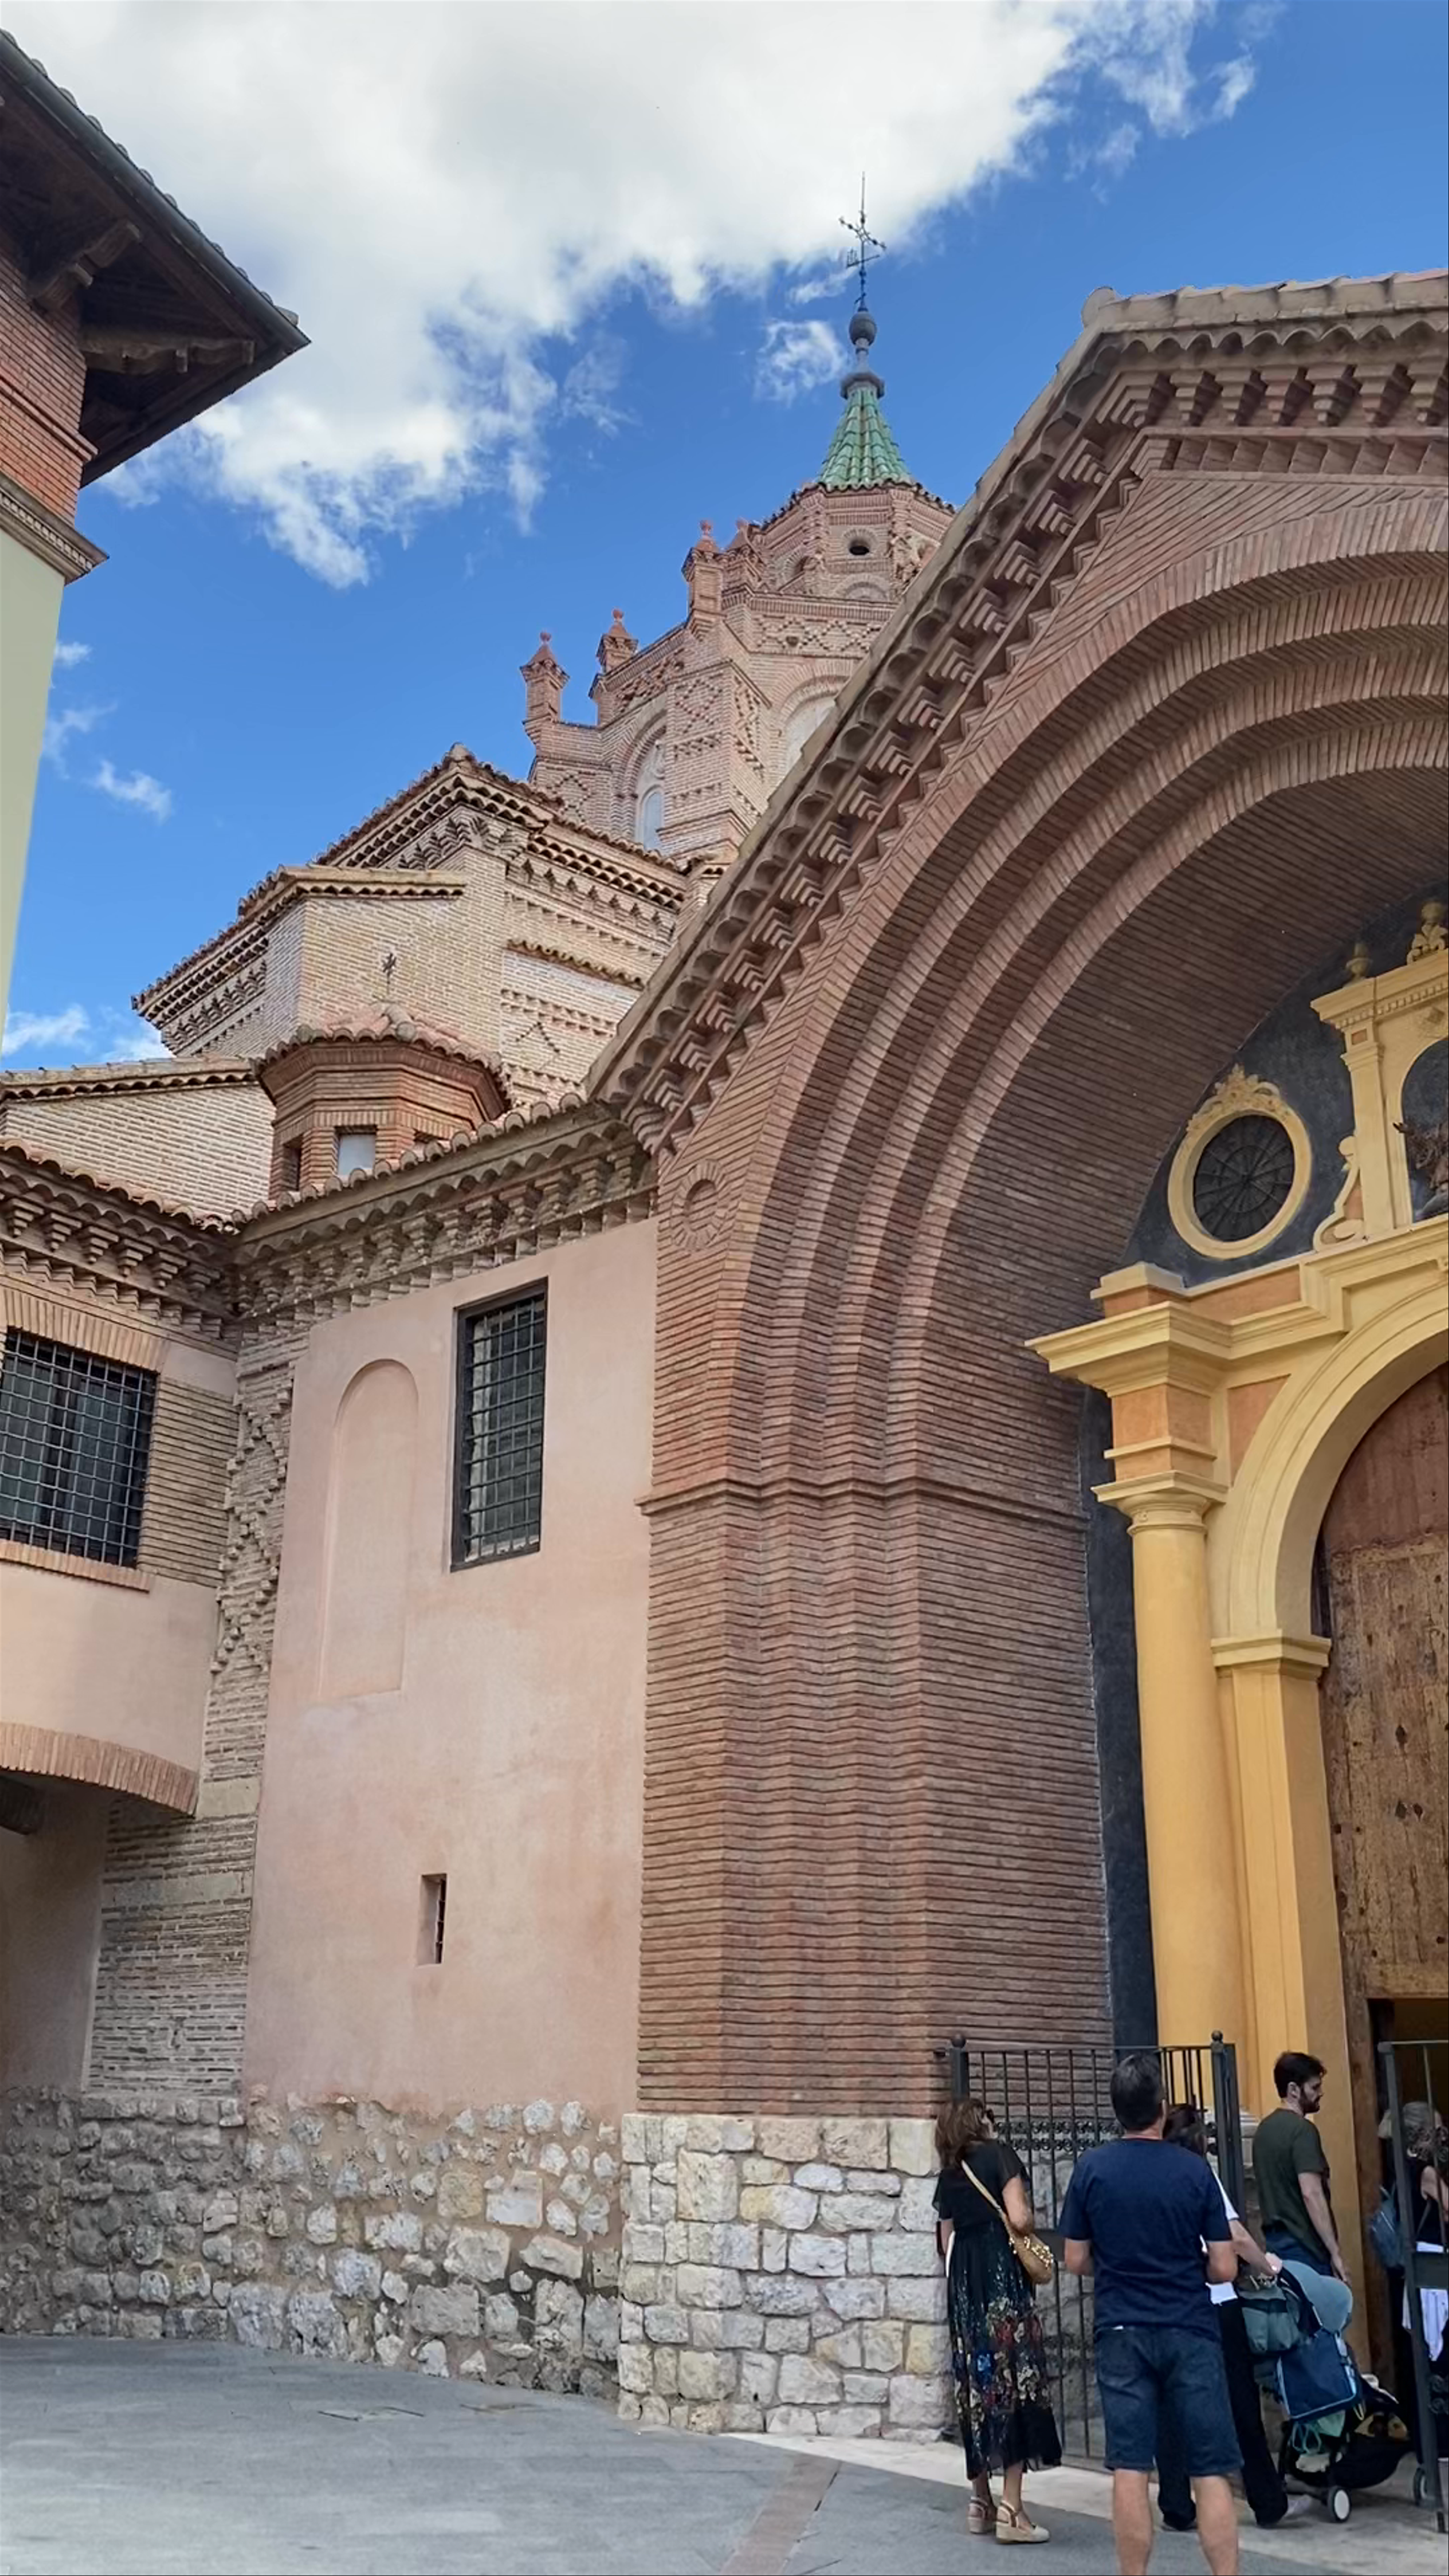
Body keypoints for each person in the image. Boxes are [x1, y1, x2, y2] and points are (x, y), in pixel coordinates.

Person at [1060, 2053, 1241, 2576]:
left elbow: (1074, 2257)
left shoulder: (1092, 2167)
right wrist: (1188, 2268)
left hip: (1122, 2327)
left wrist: (1118, 2267)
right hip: (1190, 2325)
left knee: (1131, 2465)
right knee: (1210, 2469)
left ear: (1119, 2111)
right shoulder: (1193, 2169)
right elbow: (1225, 2266)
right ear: (1161, 2109)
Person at [1154, 2105, 1307, 2534]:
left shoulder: (1157, 2176)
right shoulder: (1200, 2174)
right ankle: (1267, 2498)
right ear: (1200, 2140)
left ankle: (1175, 2503)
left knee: (1172, 2404)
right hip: (1217, 2302)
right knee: (1242, 2404)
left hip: (1170, 2304)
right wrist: (1268, 2266)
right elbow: (1236, 2236)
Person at [934, 2097, 1062, 2544]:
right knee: (1015, 2382)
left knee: (977, 2386)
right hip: (1001, 2280)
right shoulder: (1000, 2154)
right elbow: (1022, 2217)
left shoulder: (949, 2173)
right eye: (989, 2116)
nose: (994, 2122)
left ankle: (979, 2501)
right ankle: (1013, 2508)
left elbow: (944, 2239)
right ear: (978, 2121)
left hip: (965, 2285)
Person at [1252, 2052, 1344, 2280]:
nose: (1320, 2093)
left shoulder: (1263, 2130)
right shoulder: (1303, 2131)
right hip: (1306, 2244)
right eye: (1314, 2087)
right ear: (1294, 2090)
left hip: (1275, 2243)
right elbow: (1311, 2193)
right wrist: (1335, 2252)